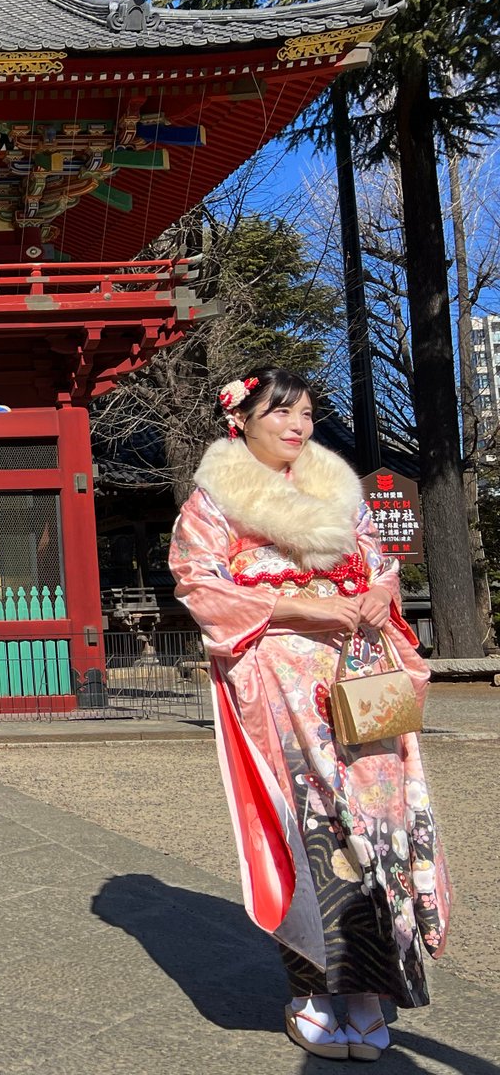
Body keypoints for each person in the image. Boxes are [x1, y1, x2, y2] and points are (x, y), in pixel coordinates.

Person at [169, 368, 450, 1062]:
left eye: (306, 412)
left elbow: (379, 564)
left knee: (382, 821)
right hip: (283, 676)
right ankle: (315, 989)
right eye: (280, 412)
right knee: (314, 823)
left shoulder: (336, 489)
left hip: (358, 671)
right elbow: (198, 583)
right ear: (241, 421)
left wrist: (376, 596)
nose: (298, 424)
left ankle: (371, 992)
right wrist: (303, 605)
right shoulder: (213, 501)